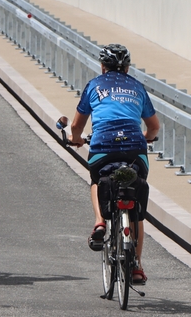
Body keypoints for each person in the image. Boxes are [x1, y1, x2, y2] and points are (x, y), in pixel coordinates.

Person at [66, 43, 160, 285]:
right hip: (134, 148)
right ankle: (137, 266)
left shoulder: (94, 85)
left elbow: (76, 126)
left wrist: (75, 139)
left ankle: (99, 221)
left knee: (97, 181)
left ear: (102, 66)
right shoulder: (137, 87)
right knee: (136, 203)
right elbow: (154, 126)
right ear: (127, 68)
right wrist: (147, 137)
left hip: (103, 145)